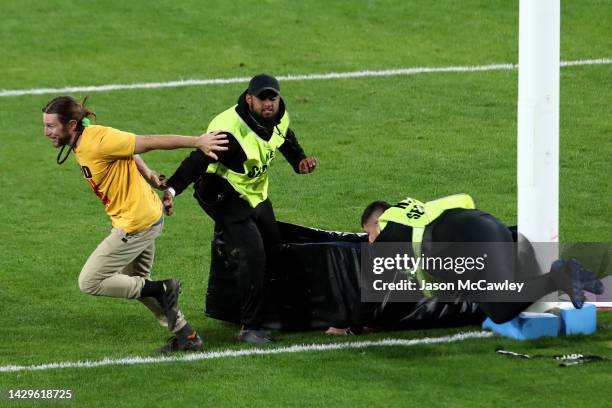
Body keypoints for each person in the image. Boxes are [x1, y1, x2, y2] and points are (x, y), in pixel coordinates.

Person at [42, 95, 228, 353]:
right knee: (137, 282)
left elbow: (147, 142)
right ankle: (187, 335)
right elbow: (127, 151)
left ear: (72, 125)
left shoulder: (97, 141)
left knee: (90, 281)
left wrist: (196, 141)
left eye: (51, 126)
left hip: (136, 223)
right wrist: (150, 175)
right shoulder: (87, 138)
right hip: (145, 215)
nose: (46, 132)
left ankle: (163, 289)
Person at [163, 74, 317, 344]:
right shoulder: (230, 131)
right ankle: (250, 328)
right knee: (253, 252)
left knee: (273, 245)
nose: (269, 103)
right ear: (249, 99)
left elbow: (284, 136)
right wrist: (172, 190)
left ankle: (237, 281)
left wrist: (299, 160)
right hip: (219, 191)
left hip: (254, 191)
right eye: (262, 98)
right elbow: (198, 160)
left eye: (273, 98)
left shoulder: (278, 114)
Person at [361, 194, 604, 325]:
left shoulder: (389, 232)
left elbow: (387, 287)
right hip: (487, 227)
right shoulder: (411, 214)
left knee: (499, 307)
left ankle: (560, 276)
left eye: (367, 234)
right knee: (504, 295)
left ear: (377, 225)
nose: (369, 242)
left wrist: (352, 324)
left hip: (472, 240)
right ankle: (583, 271)